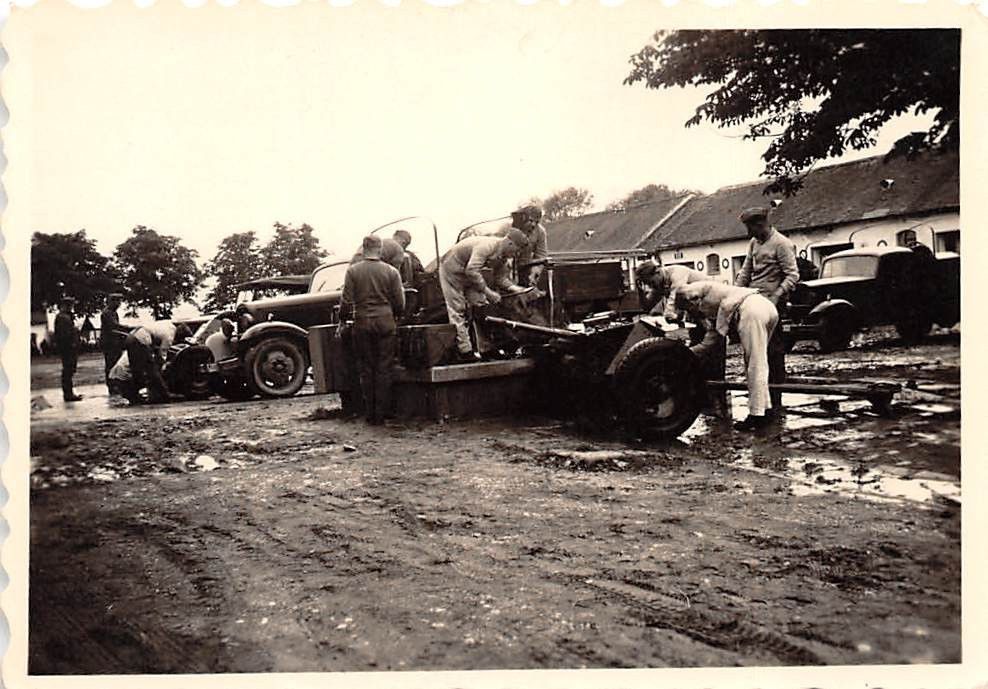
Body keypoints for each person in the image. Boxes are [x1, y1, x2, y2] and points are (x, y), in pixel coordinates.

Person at [676, 281, 780, 431]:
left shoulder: (702, 297)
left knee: (755, 364)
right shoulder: (713, 293)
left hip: (751, 311)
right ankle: (765, 408)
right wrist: (688, 352)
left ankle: (757, 415)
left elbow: (713, 335)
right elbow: (711, 339)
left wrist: (684, 353)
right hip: (766, 306)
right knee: (758, 361)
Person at [734, 207, 799, 411]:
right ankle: (761, 397)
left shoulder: (782, 244)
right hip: (753, 299)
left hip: (772, 303)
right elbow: (746, 272)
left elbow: (792, 275)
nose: (749, 233)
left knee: (773, 350)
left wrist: (776, 296)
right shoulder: (754, 243)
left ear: (761, 224)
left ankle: (775, 399)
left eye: (751, 228)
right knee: (754, 350)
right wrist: (735, 294)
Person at [341, 235, 406, 424]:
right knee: (384, 368)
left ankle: (370, 414)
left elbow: (346, 301)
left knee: (366, 368)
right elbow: (400, 302)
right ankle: (382, 413)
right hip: (385, 322)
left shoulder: (353, 271)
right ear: (380, 249)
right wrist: (395, 315)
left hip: (362, 323)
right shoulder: (391, 271)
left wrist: (343, 319)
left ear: (364, 248)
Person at [439, 229, 530, 362]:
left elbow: (500, 278)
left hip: (469, 273)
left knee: (481, 307)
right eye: (517, 250)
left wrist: (516, 289)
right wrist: (489, 293)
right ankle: (465, 351)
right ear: (510, 243)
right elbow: (472, 270)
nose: (516, 254)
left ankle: (487, 349)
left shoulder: (503, 257)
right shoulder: (486, 246)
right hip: (452, 269)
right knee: (458, 309)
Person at [124, 320, 178, 404]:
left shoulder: (165, 324)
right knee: (151, 370)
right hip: (141, 339)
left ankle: (133, 396)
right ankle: (165, 396)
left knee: (136, 370)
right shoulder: (171, 333)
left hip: (130, 337)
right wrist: (162, 364)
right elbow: (163, 351)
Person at [635, 262, 708, 321]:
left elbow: (674, 297)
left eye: (651, 282)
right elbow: (647, 307)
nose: (650, 286)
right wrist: (640, 291)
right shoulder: (659, 282)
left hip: (711, 299)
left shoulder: (677, 273)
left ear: (658, 272)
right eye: (647, 284)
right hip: (699, 308)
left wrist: (668, 314)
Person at [503, 205, 548, 286]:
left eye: (537, 222)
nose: (533, 224)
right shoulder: (509, 229)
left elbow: (541, 255)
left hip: (525, 266)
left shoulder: (541, 232)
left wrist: (536, 270)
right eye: (531, 220)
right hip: (506, 265)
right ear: (523, 219)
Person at [53, 296, 83, 402]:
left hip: (68, 348)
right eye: (71, 305)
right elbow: (64, 335)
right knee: (68, 371)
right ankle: (68, 394)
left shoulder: (65, 316)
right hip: (68, 348)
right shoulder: (63, 317)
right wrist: (73, 342)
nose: (72, 307)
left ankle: (69, 393)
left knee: (69, 370)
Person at [99, 292, 125, 391]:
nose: (119, 304)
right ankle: (112, 385)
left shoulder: (113, 313)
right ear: (111, 302)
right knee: (111, 364)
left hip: (115, 342)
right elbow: (114, 326)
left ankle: (115, 384)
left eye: (119, 301)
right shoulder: (107, 313)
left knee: (115, 363)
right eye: (117, 301)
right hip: (109, 343)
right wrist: (129, 328)